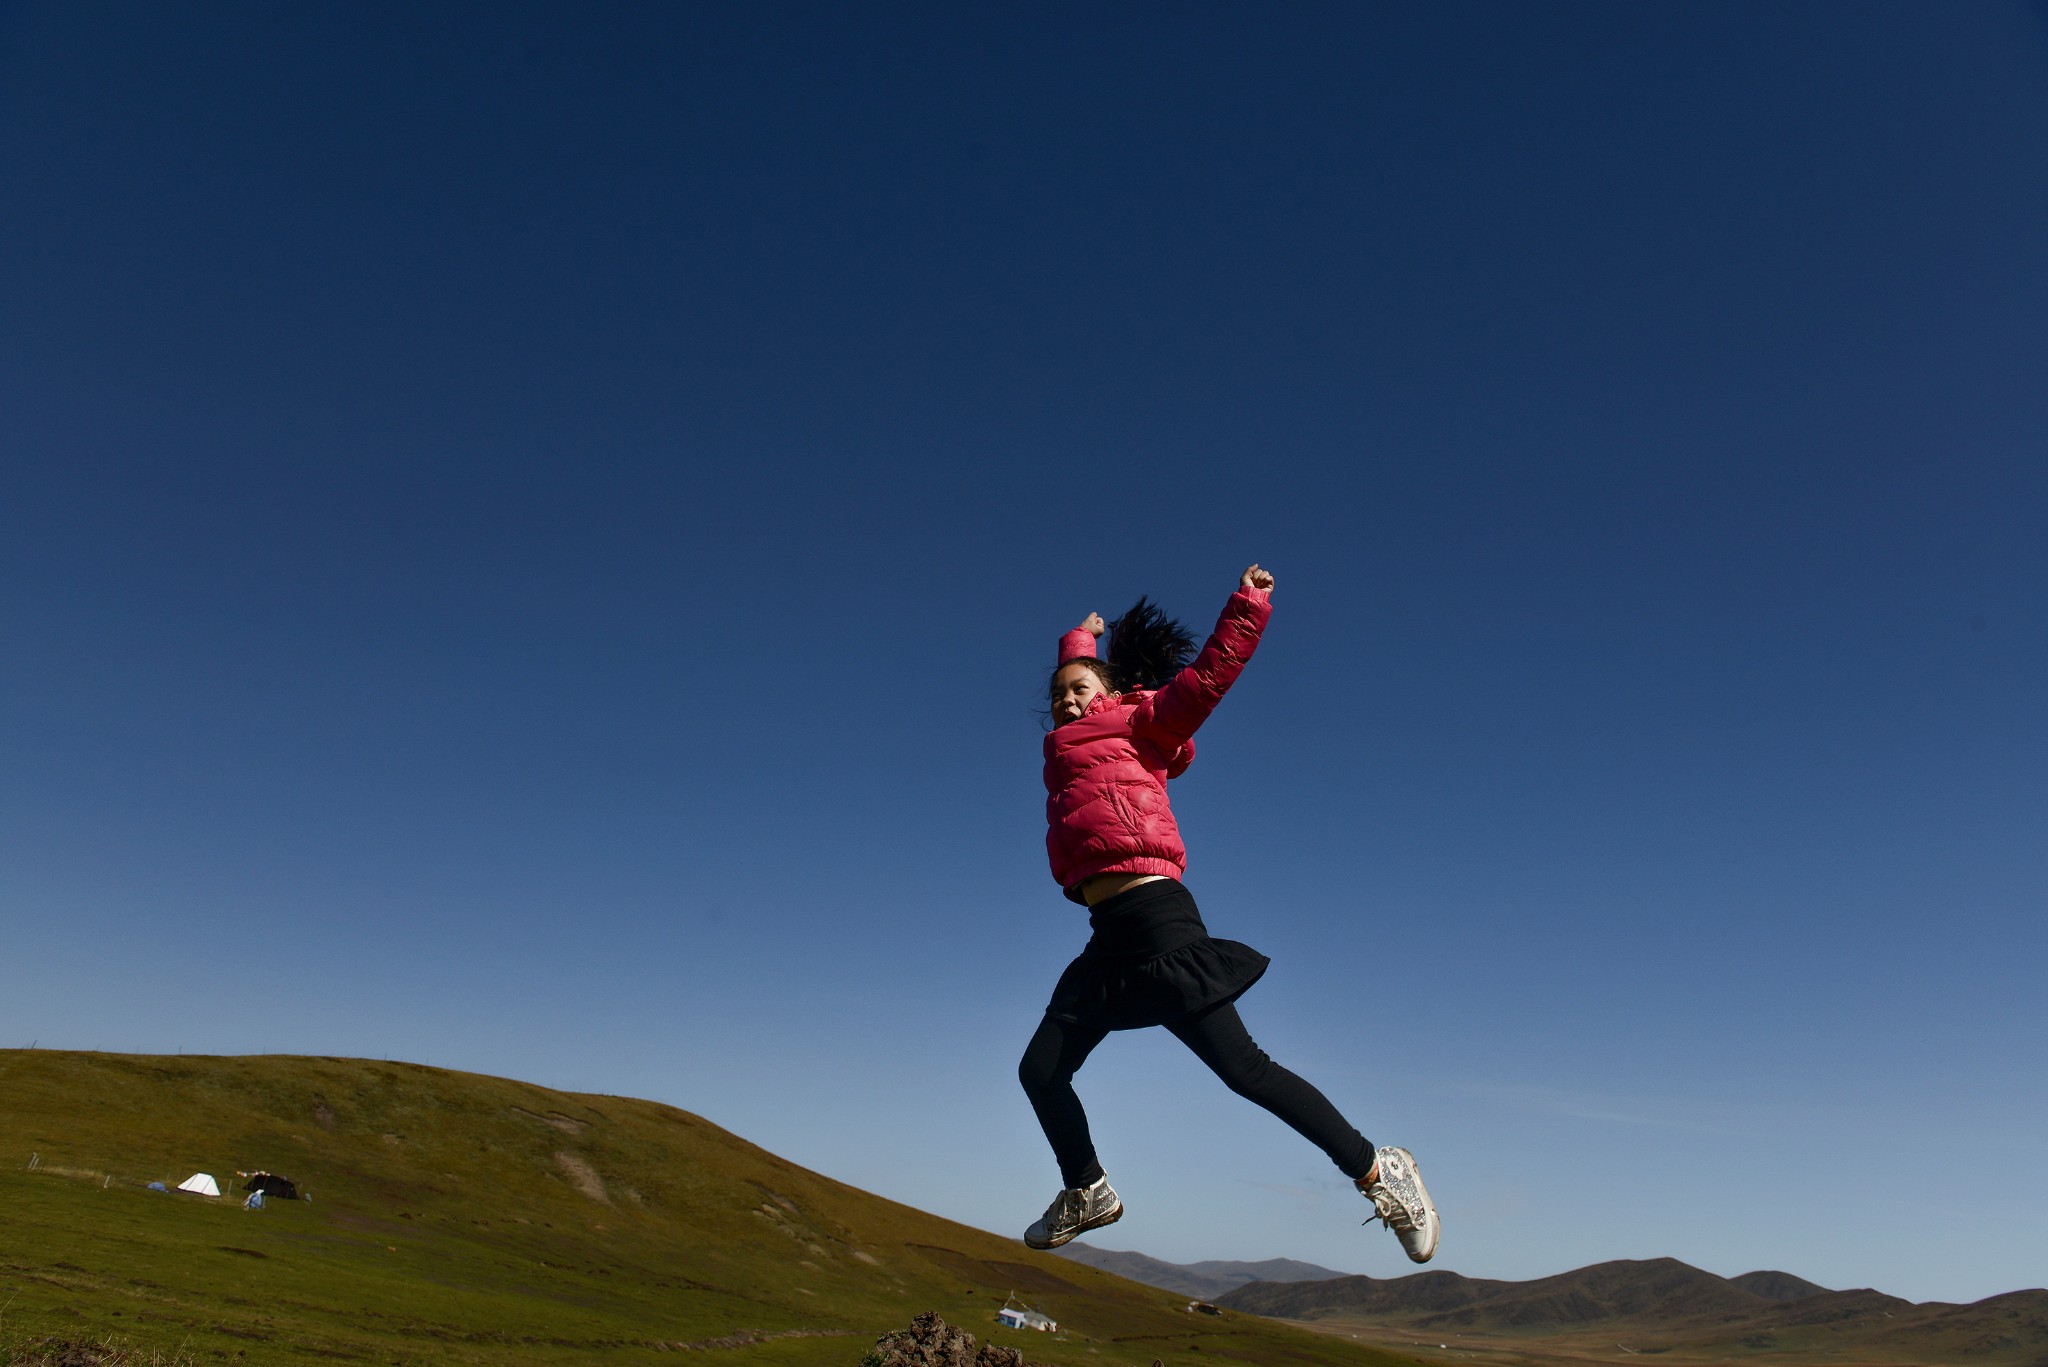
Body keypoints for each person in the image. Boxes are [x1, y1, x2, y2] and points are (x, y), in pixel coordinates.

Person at [1017, 563, 1439, 1263]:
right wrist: (1079, 641)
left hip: (1158, 920)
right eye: (1058, 694)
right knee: (1040, 1070)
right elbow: (1081, 689)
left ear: (1114, 691)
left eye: (1079, 689)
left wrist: (1249, 604)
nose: (1065, 701)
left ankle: (1379, 1169)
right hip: (1107, 940)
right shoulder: (1063, 751)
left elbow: (1208, 677)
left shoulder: (1140, 720)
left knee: (1245, 1069)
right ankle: (1087, 1188)